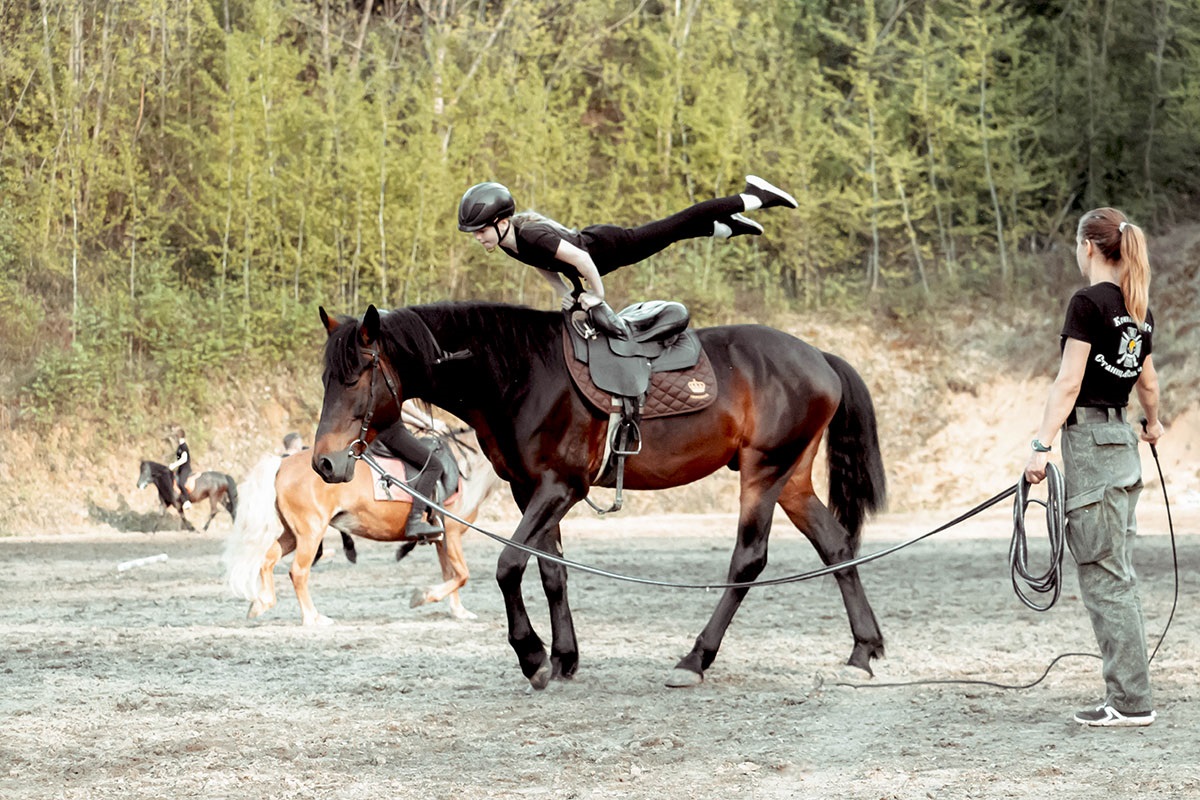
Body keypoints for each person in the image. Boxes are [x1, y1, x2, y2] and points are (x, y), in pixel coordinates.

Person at [1023, 207, 1164, 728]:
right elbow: (1147, 383)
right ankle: (1131, 695)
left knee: (1106, 577)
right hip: (1123, 443)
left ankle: (1129, 702)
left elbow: (1067, 382)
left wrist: (1040, 446)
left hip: (1092, 448)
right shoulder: (1137, 306)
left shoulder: (1087, 302)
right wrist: (1153, 425)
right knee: (1116, 571)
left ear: (1087, 246)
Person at [457, 176, 798, 311]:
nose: (478, 237)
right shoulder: (506, 242)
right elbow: (542, 265)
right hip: (600, 252)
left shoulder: (531, 234)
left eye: (480, 230)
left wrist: (598, 294)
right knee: (671, 234)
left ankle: (756, 196)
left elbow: (581, 261)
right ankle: (724, 229)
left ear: (501, 222)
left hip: (608, 247)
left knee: (677, 222)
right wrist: (563, 293)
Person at [375, 422, 445, 539]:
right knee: (434, 466)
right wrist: (426, 421)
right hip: (390, 431)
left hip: (380, 431)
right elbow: (406, 408)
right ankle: (415, 521)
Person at [167, 428, 193, 510]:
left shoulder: (184, 447)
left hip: (185, 468)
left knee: (181, 483)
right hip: (180, 468)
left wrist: (174, 465)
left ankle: (187, 501)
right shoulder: (179, 447)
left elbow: (184, 459)